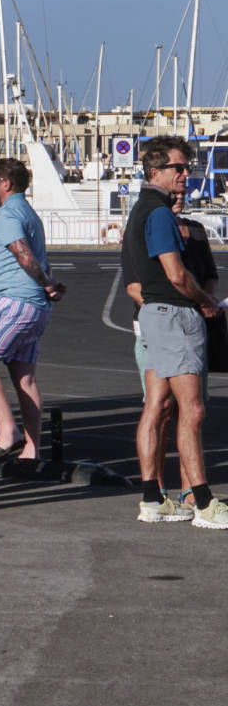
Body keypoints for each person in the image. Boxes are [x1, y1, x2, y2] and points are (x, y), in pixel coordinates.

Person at [125, 137, 225, 526]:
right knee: (192, 409)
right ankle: (202, 503)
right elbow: (176, 273)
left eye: (186, 167)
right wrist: (206, 302)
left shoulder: (140, 210)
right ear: (156, 171)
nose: (186, 174)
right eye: (178, 167)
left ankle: (153, 498)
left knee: (157, 405)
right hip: (174, 314)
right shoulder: (160, 213)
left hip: (151, 315)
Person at [0, 158, 65, 465]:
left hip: (15, 302)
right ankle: (32, 451)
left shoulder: (9, 214)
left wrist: (47, 283)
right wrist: (47, 286)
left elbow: (22, 253)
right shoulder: (28, 212)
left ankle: (8, 432)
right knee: (24, 378)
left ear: (6, 183)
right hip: (35, 307)